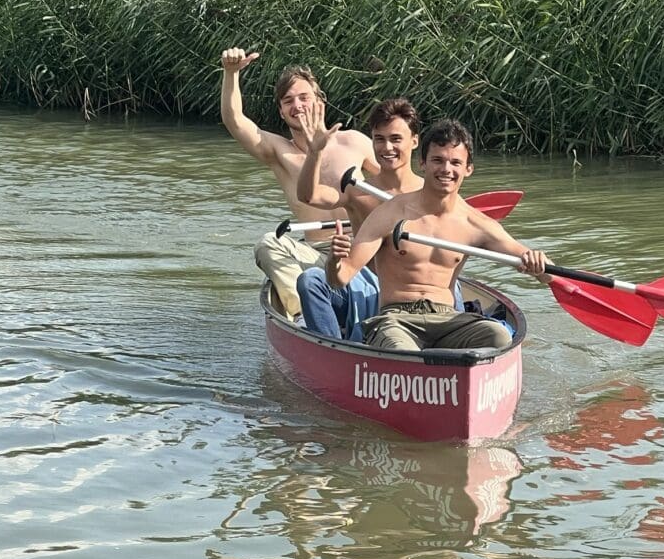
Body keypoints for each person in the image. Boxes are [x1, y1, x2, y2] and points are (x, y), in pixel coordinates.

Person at [327, 119, 547, 352]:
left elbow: (533, 262)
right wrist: (334, 260)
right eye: (438, 160)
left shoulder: (475, 223)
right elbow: (340, 278)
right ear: (423, 163)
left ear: (468, 169)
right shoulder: (390, 213)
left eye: (455, 162)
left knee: (499, 336)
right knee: (403, 352)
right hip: (397, 319)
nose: (446, 170)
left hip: (448, 320)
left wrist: (539, 264)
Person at [219, 47, 373, 316]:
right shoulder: (279, 152)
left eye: (304, 97)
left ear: (320, 101)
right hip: (318, 255)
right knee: (268, 243)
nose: (298, 106)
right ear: (281, 112)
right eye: (288, 101)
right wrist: (231, 73)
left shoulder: (355, 141)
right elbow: (235, 120)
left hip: (365, 248)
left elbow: (397, 180)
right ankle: (304, 314)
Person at [292, 97, 423, 341]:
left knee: (453, 285)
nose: (387, 148)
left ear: (414, 141)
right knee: (310, 280)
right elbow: (308, 195)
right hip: (365, 284)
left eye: (396, 139)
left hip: (415, 290)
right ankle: (334, 352)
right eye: (379, 139)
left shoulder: (430, 193)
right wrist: (315, 152)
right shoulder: (358, 190)